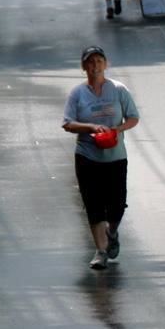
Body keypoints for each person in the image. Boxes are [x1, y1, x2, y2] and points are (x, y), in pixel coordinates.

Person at [61, 46, 141, 270]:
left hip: (115, 156)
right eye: (90, 62)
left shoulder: (118, 90)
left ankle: (112, 232)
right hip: (87, 156)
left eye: (98, 61)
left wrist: (118, 129)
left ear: (105, 65)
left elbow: (133, 117)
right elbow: (67, 123)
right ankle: (100, 251)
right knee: (93, 204)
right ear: (83, 67)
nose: (95, 66)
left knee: (116, 206)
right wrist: (89, 127)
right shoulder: (77, 94)